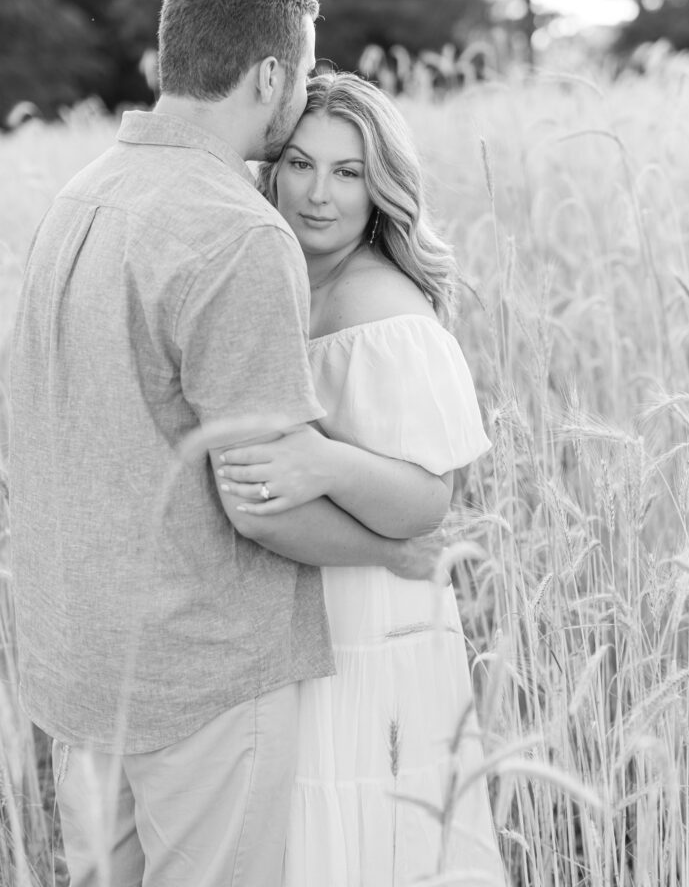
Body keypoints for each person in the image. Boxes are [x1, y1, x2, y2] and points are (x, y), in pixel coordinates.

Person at [9, 0, 446, 887]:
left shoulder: (80, 193)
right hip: (194, 676)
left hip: (77, 662)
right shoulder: (236, 232)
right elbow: (260, 502)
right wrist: (392, 550)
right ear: (271, 75)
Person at [216, 72, 506, 886]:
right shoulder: (287, 282)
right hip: (305, 605)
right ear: (270, 168)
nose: (317, 195)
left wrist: (324, 461)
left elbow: (427, 504)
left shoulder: (385, 313)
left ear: (380, 189)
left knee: (371, 828)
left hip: (373, 621)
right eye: (300, 164)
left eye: (347, 173)